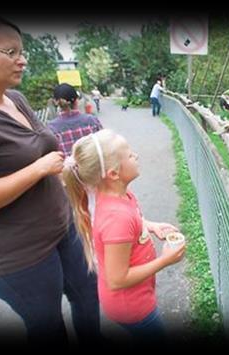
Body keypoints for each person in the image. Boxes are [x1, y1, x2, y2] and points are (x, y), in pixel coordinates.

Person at [0, 14, 102, 346]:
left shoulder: (16, 99)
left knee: (89, 297)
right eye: (11, 52)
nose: (22, 59)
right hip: (17, 256)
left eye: (21, 51)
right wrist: (38, 169)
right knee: (49, 328)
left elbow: (46, 151)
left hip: (62, 230)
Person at [62, 129, 186, 344]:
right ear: (113, 174)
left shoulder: (121, 195)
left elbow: (134, 220)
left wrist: (151, 225)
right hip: (132, 306)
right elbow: (117, 279)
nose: (135, 155)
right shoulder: (116, 218)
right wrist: (165, 260)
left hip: (136, 296)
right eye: (129, 155)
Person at [48, 83, 103, 157]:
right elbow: (104, 145)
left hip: (68, 167)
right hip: (93, 166)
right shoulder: (92, 121)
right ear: (77, 100)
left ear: (56, 102)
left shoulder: (52, 128)